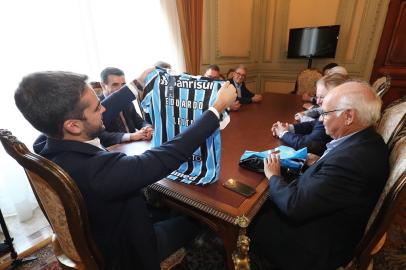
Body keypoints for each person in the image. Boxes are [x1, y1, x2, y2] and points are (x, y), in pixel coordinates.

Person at [14, 70, 237, 270]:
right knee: (201, 221)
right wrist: (215, 110)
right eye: (96, 107)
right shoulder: (96, 171)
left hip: (105, 225)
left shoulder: (45, 143)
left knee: (172, 207)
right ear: (73, 125)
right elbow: (164, 157)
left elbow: (92, 118)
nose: (103, 107)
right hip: (130, 250)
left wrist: (137, 85)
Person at [250, 80, 389, 270]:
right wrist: (316, 162)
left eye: (325, 113)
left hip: (315, 247)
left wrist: (273, 175)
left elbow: (294, 206)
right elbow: (335, 182)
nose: (321, 119)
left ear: (349, 116)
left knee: (250, 217)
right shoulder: (367, 140)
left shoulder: (351, 162)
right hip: (330, 219)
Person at [272, 73, 349, 155]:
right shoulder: (329, 111)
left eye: (322, 97)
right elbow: (314, 124)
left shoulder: (333, 117)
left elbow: (306, 145)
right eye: (317, 96)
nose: (317, 101)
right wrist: (290, 127)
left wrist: (283, 133)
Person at [99, 67, 153, 147]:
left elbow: (138, 120)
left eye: (123, 85)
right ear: (103, 85)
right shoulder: (98, 106)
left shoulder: (127, 100)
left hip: (134, 145)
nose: (121, 88)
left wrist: (147, 128)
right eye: (115, 84)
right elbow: (102, 135)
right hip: (114, 149)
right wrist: (131, 136)